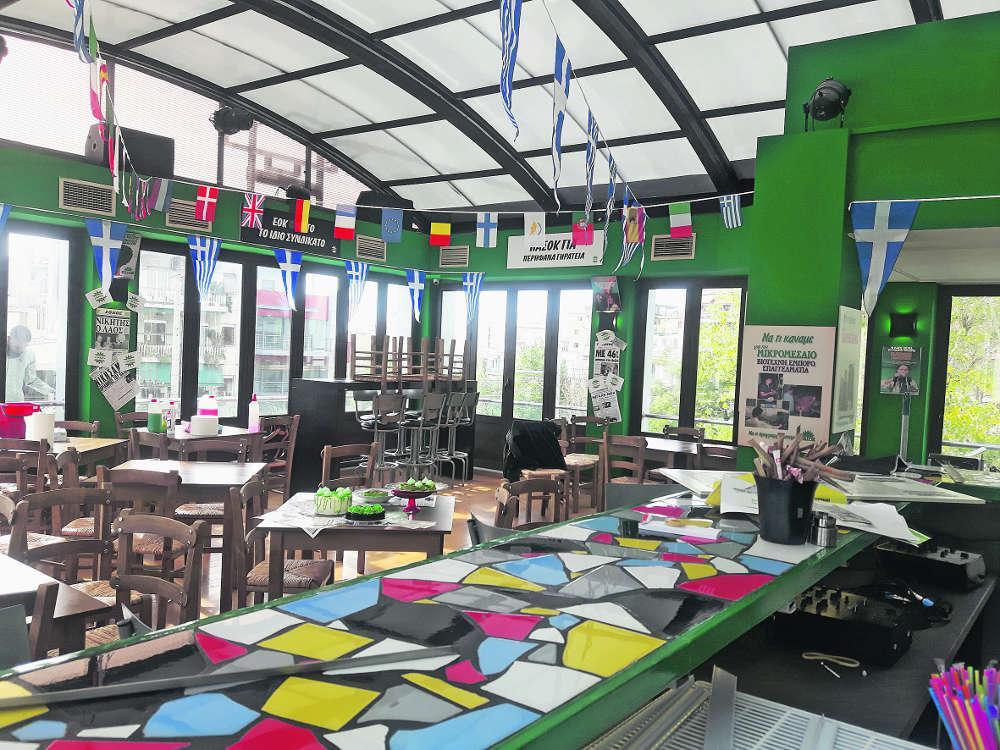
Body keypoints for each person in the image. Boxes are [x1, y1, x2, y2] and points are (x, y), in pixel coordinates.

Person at [6, 325, 54, 402]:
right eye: (17, 347)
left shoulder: (28, 355)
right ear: (8, 339)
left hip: (16, 402)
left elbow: (31, 380)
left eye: (24, 346)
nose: (20, 351)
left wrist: (50, 391)